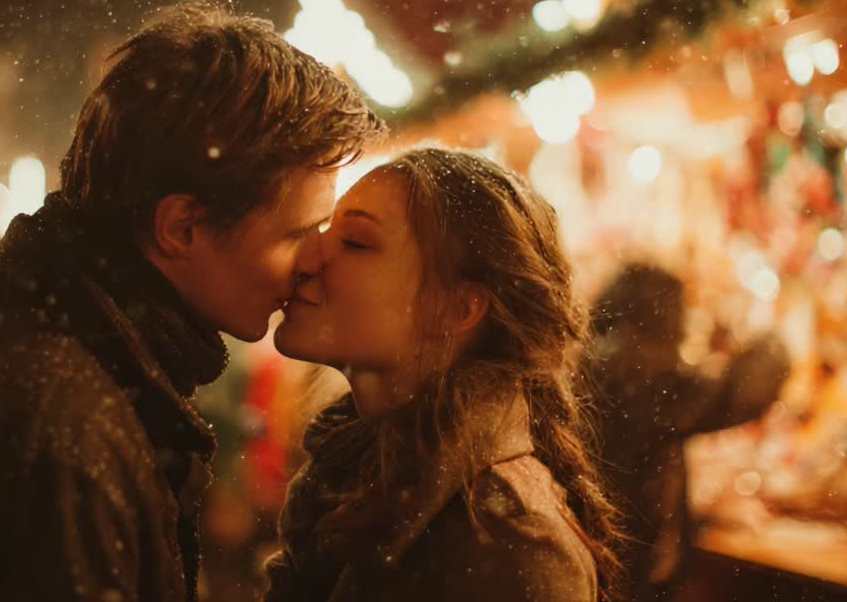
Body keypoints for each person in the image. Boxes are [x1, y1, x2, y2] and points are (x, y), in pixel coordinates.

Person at [0, 0, 384, 602]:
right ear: (181, 227)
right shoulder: (53, 428)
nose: (314, 262)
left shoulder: (40, 344)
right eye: (297, 233)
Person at [265, 148, 624, 602]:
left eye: (355, 242)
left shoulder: (514, 544)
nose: (307, 257)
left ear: (458, 308)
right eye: (323, 231)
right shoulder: (349, 474)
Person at [584, 263, 790, 601]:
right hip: (625, 565)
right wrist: (773, 340)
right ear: (664, 317)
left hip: (600, 552)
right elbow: (738, 394)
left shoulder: (595, 360)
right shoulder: (639, 371)